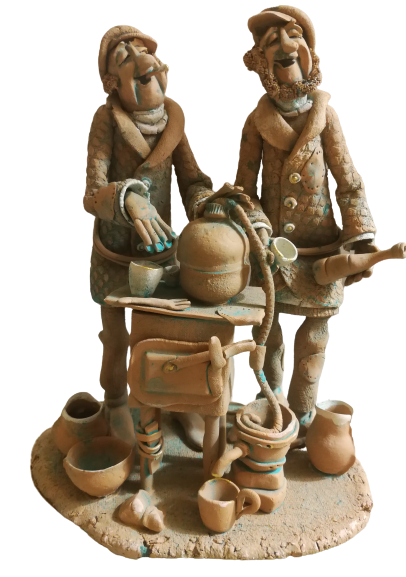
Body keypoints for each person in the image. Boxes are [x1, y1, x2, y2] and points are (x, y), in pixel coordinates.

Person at [235, 6, 378, 443]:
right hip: (273, 252)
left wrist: (358, 237)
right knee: (268, 333)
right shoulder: (256, 122)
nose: (286, 50)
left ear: (310, 54)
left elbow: (348, 179)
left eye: (295, 40)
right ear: (262, 65)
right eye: (273, 47)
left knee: (314, 340)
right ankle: (272, 407)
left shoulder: (325, 117)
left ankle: (304, 414)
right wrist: (258, 228)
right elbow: (244, 189)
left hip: (321, 253)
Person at [84, 25, 213, 446]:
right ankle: (116, 401)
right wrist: (128, 199)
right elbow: (92, 192)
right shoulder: (106, 119)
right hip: (114, 252)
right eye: (125, 57)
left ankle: (177, 402)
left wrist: (206, 205)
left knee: (172, 331)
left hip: (160, 253)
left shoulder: (173, 120)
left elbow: (192, 179)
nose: (141, 59)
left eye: (143, 51)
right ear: (112, 82)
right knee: (116, 336)